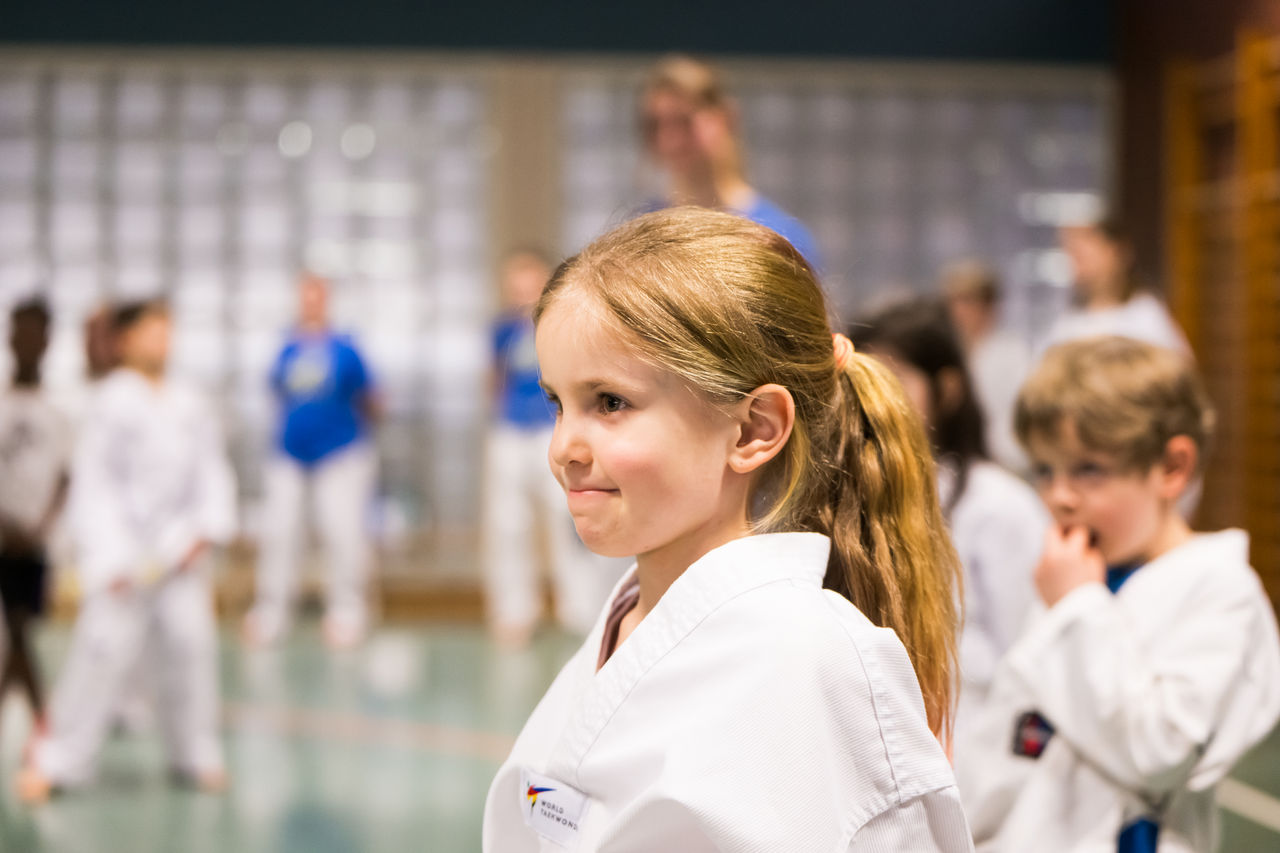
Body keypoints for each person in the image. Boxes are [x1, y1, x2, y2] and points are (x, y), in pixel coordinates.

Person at [482, 208, 972, 851]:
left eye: (610, 403)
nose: (564, 447)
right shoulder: (631, 617)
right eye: (558, 402)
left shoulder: (816, 660)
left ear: (753, 429)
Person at [959, 336, 1280, 852]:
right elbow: (1016, 737)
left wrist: (1077, 607)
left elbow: (1158, 750)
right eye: (1044, 470)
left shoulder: (1220, 590)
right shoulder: (1076, 577)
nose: (1060, 496)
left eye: (1089, 470)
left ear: (1172, 467)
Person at [18, 299, 237, 801]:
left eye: (168, 329)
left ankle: (196, 753)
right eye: (150, 330)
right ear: (126, 340)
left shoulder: (190, 401)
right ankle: (57, 762)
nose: (161, 340)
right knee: (99, 655)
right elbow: (95, 485)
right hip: (125, 557)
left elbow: (211, 472)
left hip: (180, 554)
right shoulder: (110, 400)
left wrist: (202, 531)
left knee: (191, 650)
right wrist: (110, 556)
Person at [850, 298, 1047, 762]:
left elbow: (1023, 654)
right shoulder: (844, 496)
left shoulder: (998, 505)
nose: (875, 403)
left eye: (895, 380)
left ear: (948, 388)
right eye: (864, 382)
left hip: (972, 746)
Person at [481, 250, 615, 649]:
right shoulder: (501, 330)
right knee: (509, 522)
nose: (522, 291)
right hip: (509, 431)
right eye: (515, 282)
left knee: (567, 516)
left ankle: (581, 609)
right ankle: (514, 610)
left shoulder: (563, 327)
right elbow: (495, 378)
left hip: (551, 428)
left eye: (530, 281)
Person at [243, 272, 379, 649]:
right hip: (289, 454)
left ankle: (347, 611)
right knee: (280, 534)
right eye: (305, 296)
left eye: (317, 295)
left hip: (341, 453)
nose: (310, 302)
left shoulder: (346, 348)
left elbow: (371, 398)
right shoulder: (285, 348)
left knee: (342, 533)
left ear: (327, 299)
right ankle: (272, 611)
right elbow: (276, 395)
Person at [638, 55, 823, 270]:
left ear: (725, 117)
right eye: (655, 125)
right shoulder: (642, 234)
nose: (669, 140)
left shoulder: (779, 236)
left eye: (684, 122)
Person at [0, 299, 71, 742]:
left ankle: (43, 724)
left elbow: (66, 478)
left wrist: (39, 529)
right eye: (20, 330)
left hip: (34, 545)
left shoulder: (57, 412)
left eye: (36, 332)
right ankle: (45, 725)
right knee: (13, 635)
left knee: (20, 632)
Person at [1042, 218, 1189, 355]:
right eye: (1072, 253)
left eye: (1084, 254)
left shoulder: (1145, 317)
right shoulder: (1068, 324)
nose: (1078, 264)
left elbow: (1177, 375)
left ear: (1117, 251)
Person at [941, 260, 1032, 473]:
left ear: (988, 305)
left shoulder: (1013, 355)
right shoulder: (947, 355)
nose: (958, 311)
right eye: (953, 302)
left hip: (1004, 464)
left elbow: (1015, 419)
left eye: (967, 301)